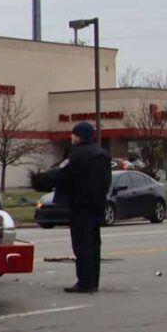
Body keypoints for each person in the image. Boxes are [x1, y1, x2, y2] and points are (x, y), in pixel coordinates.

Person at [45, 121, 112, 293]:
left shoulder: (77, 154)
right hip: (97, 205)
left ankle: (84, 282)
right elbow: (106, 182)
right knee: (93, 244)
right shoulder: (102, 154)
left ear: (79, 136)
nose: (71, 137)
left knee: (81, 245)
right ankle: (92, 281)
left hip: (80, 205)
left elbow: (63, 174)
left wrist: (42, 180)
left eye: (73, 134)